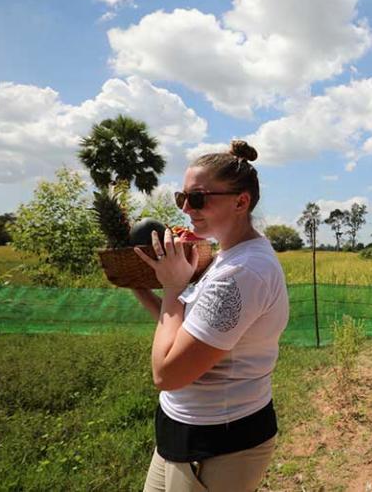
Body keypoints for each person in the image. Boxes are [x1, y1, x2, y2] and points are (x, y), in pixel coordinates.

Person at [131, 140, 289, 492]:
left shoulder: (241, 273)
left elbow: (167, 373)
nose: (187, 208)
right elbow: (186, 329)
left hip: (220, 443)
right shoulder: (225, 257)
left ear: (241, 201)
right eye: (181, 197)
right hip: (181, 430)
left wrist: (172, 288)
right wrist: (139, 285)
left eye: (198, 198)